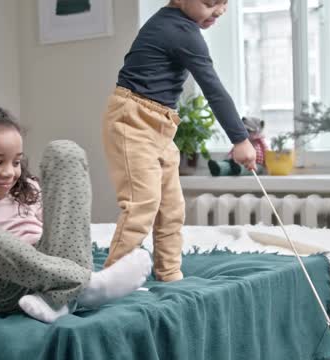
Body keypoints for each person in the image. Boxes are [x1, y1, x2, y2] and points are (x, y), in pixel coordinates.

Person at [0, 102, 152, 323]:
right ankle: (87, 286)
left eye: (16, 162)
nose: (10, 173)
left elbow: (63, 237)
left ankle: (61, 297)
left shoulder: (28, 191)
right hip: (11, 293)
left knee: (64, 151)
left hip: (54, 266)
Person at [102, 0, 257, 282]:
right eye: (210, 2)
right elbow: (213, 89)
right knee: (142, 204)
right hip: (133, 121)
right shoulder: (180, 32)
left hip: (161, 124)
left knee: (172, 208)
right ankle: (113, 279)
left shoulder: (182, 26)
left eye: (224, 2)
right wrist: (240, 139)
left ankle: (169, 272)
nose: (219, 10)